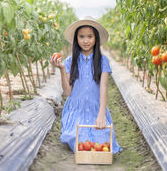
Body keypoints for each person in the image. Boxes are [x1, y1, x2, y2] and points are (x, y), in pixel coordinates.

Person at [51, 16, 122, 154]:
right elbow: (68, 92)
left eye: (90, 36)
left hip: (96, 109)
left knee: (103, 142)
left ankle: (99, 124)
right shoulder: (70, 61)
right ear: (76, 39)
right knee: (78, 140)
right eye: (81, 36)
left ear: (96, 38)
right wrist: (61, 69)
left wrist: (101, 115)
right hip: (77, 110)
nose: (85, 40)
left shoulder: (102, 61)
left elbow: (103, 89)